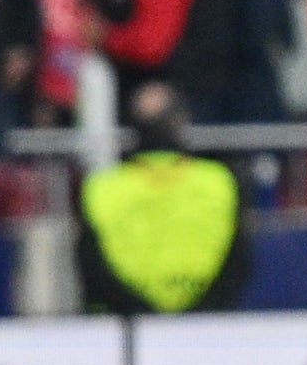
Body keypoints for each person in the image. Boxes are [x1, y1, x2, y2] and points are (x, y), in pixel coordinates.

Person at [76, 84, 250, 314]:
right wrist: (201, 310)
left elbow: (91, 265)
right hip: (205, 327)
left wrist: (141, 313)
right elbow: (238, 259)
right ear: (181, 120)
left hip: (123, 330)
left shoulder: (101, 186)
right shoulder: (220, 181)